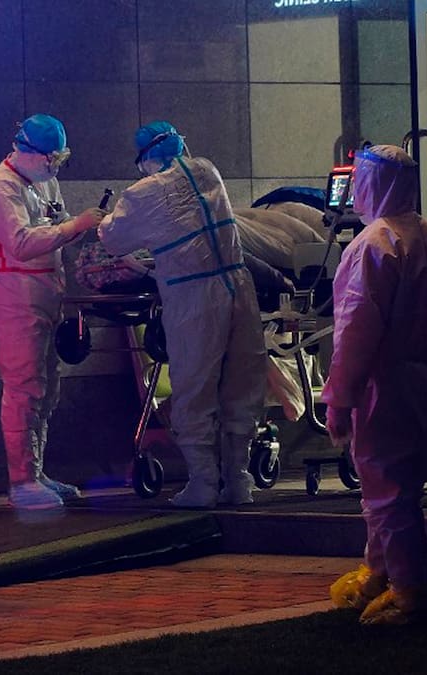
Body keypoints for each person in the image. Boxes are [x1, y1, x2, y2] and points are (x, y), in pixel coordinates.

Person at [323, 145, 427, 625]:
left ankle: (411, 593)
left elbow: (356, 330)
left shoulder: (374, 246)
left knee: (387, 493)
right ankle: (380, 572)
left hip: (384, 384)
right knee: (396, 488)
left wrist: (340, 396)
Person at [98, 121, 266, 508]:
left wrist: (98, 221)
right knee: (242, 382)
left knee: (194, 385)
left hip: (194, 297)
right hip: (238, 286)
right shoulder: (206, 170)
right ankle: (238, 479)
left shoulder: (143, 192)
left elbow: (114, 238)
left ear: (145, 157)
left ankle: (203, 482)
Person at [0, 114, 105, 510]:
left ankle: (36, 474)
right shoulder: (0, 186)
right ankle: (22, 481)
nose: (55, 166)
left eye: (60, 158)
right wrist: (74, 226)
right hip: (14, 297)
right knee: (24, 388)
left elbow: (57, 223)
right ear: (26, 150)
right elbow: (20, 243)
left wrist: (78, 227)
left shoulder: (43, 180)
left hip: (46, 292)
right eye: (51, 158)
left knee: (46, 389)